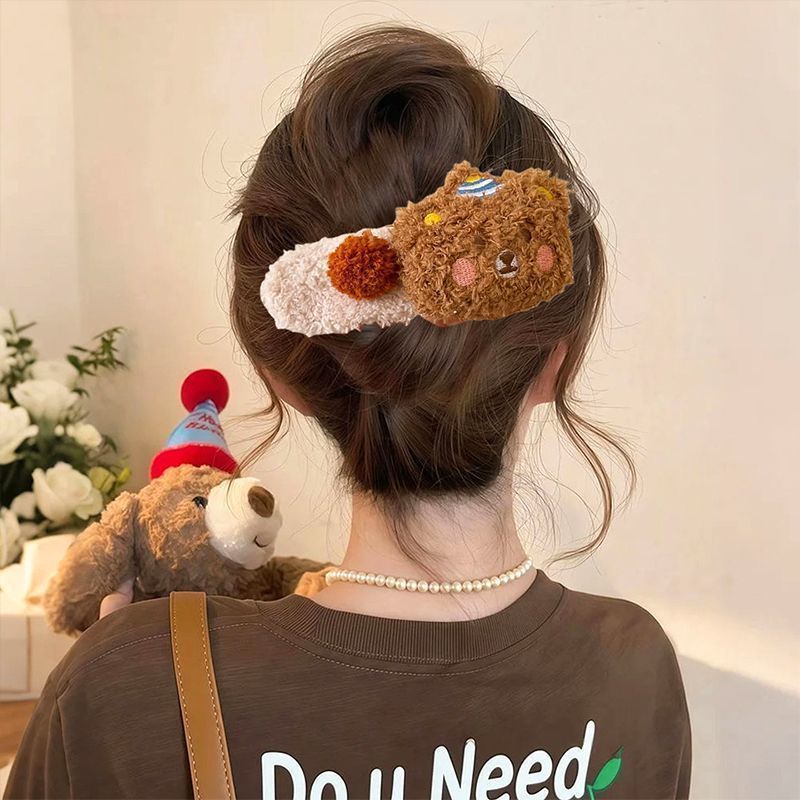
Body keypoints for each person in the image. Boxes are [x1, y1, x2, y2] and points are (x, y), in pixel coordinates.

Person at [5, 25, 691, 800]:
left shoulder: (131, 683)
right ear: (555, 359)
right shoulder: (636, 668)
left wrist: (122, 695)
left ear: (283, 376)